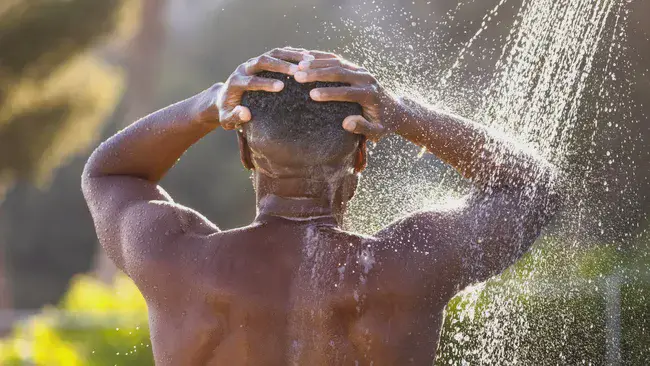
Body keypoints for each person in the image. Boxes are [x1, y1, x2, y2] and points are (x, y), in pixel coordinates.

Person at [82, 47, 559, 365]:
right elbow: (533, 188)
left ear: (247, 153)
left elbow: (108, 174)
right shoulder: (405, 265)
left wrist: (206, 106)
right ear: (362, 155)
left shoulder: (178, 261)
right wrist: (404, 114)